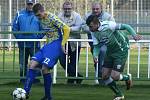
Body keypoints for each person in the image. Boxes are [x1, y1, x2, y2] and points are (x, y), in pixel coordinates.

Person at [86, 15, 142, 100]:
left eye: (90, 26)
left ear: (96, 23)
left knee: (115, 76)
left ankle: (127, 77)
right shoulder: (93, 32)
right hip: (110, 52)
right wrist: (95, 55)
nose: (89, 29)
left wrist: (134, 35)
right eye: (88, 27)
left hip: (121, 50)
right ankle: (119, 94)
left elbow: (126, 26)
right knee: (104, 76)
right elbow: (96, 46)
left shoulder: (108, 25)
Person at [23, 3, 70, 100]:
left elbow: (66, 28)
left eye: (38, 15)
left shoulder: (52, 17)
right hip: (47, 45)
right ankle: (25, 92)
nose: (38, 18)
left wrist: (62, 44)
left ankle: (48, 97)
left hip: (56, 45)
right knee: (31, 64)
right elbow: (47, 30)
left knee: (44, 68)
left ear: (42, 11)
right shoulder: (41, 19)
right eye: (36, 16)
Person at [12, 0, 44, 83]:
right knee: (23, 63)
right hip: (23, 44)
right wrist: (20, 38)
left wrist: (37, 37)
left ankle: (35, 80)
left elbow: (43, 29)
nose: (30, 6)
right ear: (26, 4)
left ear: (34, 4)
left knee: (36, 63)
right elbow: (14, 28)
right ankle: (23, 79)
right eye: (28, 4)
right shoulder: (19, 14)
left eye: (31, 4)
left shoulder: (38, 14)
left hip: (34, 44)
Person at [83, 2, 115, 84]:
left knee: (103, 53)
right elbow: (83, 27)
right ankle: (101, 77)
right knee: (96, 58)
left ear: (101, 9)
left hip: (105, 40)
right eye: (93, 9)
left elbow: (113, 25)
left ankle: (102, 78)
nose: (95, 10)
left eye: (97, 9)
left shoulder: (107, 16)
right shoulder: (87, 16)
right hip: (93, 39)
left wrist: (100, 29)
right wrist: (94, 29)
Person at [57, 1, 83, 84]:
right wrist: (69, 28)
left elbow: (79, 28)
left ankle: (71, 80)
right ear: (63, 9)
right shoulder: (59, 16)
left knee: (74, 62)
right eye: (65, 9)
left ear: (72, 8)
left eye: (69, 9)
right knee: (62, 61)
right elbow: (57, 27)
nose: (67, 10)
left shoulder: (77, 16)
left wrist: (67, 29)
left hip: (75, 42)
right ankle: (78, 76)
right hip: (64, 42)